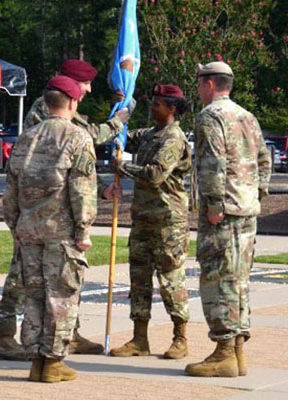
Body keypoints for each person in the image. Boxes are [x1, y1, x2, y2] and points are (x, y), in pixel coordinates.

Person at [0, 59, 129, 361]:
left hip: (42, 212)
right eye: (85, 84)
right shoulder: (47, 109)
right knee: (24, 279)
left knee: (59, 279)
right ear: (69, 88)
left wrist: (102, 188)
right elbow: (77, 142)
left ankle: (67, 335)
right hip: (43, 211)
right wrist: (118, 122)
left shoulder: (61, 114)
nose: (89, 90)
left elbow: (77, 165)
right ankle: (4, 335)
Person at [185, 62, 271, 377]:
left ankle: (224, 352)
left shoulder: (210, 116)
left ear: (209, 84)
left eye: (198, 83)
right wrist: (257, 192)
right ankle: (237, 352)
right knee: (239, 280)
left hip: (224, 212)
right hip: (246, 209)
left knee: (218, 278)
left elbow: (212, 163)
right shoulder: (247, 116)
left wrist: (214, 203)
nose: (197, 89)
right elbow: (264, 158)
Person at [110, 84, 192, 360]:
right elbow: (123, 137)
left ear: (172, 108)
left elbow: (155, 174)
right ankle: (139, 339)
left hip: (168, 220)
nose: (152, 107)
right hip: (143, 218)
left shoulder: (173, 138)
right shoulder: (151, 135)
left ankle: (180, 338)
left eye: (157, 103)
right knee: (139, 279)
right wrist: (122, 110)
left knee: (170, 280)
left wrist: (122, 166)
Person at [24, 58, 125, 146]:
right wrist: (116, 123)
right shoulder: (49, 104)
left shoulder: (59, 104)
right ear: (71, 82)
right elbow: (85, 136)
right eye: (86, 83)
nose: (89, 89)